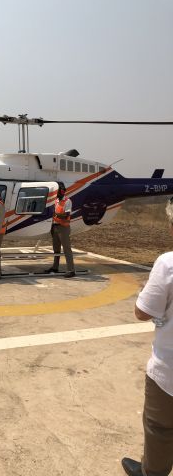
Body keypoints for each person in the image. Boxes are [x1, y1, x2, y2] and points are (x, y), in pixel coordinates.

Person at [121, 198, 173, 476]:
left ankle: (152, 472)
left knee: (159, 427)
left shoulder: (167, 264)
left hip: (169, 372)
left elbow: (142, 312)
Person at [45, 182, 75, 278]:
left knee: (67, 249)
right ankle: (55, 266)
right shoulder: (56, 200)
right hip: (55, 227)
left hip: (63, 228)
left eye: (57, 191)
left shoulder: (67, 201)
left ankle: (71, 270)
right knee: (56, 249)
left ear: (61, 191)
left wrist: (55, 215)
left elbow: (67, 215)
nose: (56, 193)